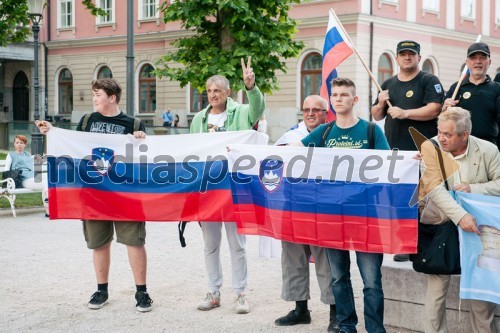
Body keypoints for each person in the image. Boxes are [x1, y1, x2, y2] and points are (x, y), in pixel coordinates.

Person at [36, 78, 153, 312]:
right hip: (95, 194)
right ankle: (101, 290)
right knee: (99, 244)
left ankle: (142, 292)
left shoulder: (134, 123)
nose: (94, 98)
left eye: (98, 94)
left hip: (126, 194)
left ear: (112, 97)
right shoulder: (87, 121)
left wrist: (143, 139)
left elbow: (147, 158)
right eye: (93, 94)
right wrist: (53, 132)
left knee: (134, 242)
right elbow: (73, 147)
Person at [295, 78, 389, 333]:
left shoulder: (371, 131)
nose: (338, 98)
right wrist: (245, 153)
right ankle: (347, 326)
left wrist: (409, 160)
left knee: (371, 281)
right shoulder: (324, 132)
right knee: (339, 278)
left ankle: (375, 329)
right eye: (335, 94)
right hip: (332, 218)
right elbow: (292, 152)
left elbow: (390, 166)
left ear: (354, 100)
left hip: (366, 217)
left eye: (344, 94)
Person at [190, 57, 265, 314]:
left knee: (237, 244)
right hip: (208, 190)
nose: (212, 95)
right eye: (209, 91)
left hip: (234, 189)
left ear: (227, 93)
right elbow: (192, 154)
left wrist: (252, 87)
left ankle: (241, 293)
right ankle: (213, 291)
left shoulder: (241, 113)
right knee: (210, 244)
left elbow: (257, 109)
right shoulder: (198, 119)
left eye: (217, 91)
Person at [418, 107, 500, 333]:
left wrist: (474, 188)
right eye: (439, 131)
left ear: (465, 135)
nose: (441, 138)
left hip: (479, 228)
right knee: (436, 289)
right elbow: (434, 188)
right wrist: (460, 215)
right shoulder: (431, 147)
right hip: (443, 224)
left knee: (481, 292)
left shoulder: (488, 150)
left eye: (448, 134)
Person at [371, 40, 445, 262]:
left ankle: (427, 245)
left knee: (426, 200)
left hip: (423, 151)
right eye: (402, 54)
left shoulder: (428, 80)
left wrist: (406, 113)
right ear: (396, 58)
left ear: (418, 57)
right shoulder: (388, 83)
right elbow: (376, 115)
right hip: (396, 153)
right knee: (401, 200)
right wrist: (381, 103)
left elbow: (434, 110)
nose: (407, 57)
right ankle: (406, 244)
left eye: (411, 54)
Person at [272, 95, 338, 333]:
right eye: (306, 109)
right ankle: (301, 309)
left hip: (323, 209)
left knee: (327, 262)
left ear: (325, 113)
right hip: (293, 207)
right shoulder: (289, 137)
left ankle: (335, 313)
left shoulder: (335, 136)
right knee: (293, 260)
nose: (310, 113)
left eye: (316, 110)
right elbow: (267, 160)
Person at [442, 42, 500, 148]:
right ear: (467, 62)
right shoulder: (456, 88)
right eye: (473, 58)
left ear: (489, 62)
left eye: (482, 58)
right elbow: (443, 122)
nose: (478, 61)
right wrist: (444, 110)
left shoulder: (497, 89)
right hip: (459, 148)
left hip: (487, 148)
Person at [4, 135, 49, 216]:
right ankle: (48, 204)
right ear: (14, 144)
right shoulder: (11, 155)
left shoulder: (27, 154)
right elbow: (6, 170)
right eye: (17, 142)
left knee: (47, 178)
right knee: (46, 184)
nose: (19, 145)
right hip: (23, 179)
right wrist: (9, 182)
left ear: (25, 145)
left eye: (21, 143)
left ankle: (48, 208)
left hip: (33, 177)